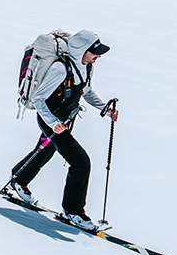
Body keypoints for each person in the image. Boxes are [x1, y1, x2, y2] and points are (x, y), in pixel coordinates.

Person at [6, 29, 118, 231]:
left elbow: (86, 90)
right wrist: (53, 122)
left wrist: (105, 109)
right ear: (81, 50)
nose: (98, 56)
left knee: (46, 150)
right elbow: (38, 99)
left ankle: (18, 179)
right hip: (51, 119)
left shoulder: (85, 67)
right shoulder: (60, 69)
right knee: (81, 162)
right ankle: (73, 211)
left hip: (65, 119)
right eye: (95, 51)